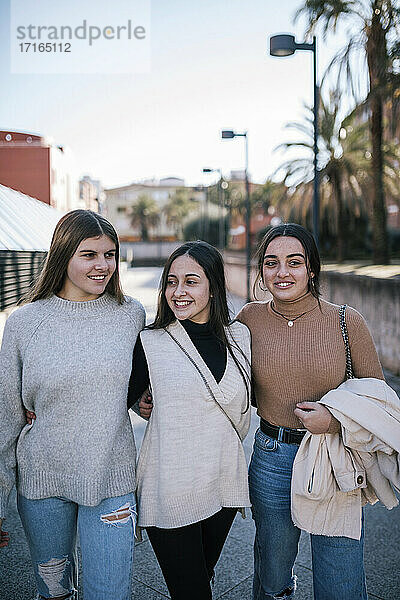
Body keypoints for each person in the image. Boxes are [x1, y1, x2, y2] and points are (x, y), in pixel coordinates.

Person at [0, 210, 145, 600]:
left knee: (109, 594)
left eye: (110, 254)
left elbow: (137, 378)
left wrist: (140, 399)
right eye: (89, 255)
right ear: (63, 255)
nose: (103, 266)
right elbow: (6, 418)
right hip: (42, 481)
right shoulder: (23, 323)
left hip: (111, 479)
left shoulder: (130, 314)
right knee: (54, 593)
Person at [236, 223, 384, 600]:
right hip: (272, 458)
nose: (282, 272)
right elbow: (226, 384)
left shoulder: (345, 321)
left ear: (312, 269)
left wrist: (333, 420)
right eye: (271, 263)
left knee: (340, 576)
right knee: (272, 575)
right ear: (262, 272)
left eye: (294, 262)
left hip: (333, 457)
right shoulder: (248, 319)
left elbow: (379, 404)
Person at [128, 240, 252, 600]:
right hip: (170, 489)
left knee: (202, 576)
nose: (177, 292)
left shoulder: (240, 337)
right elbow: (114, 397)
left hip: (223, 485)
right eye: (171, 281)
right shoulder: (150, 342)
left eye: (191, 281)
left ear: (213, 286)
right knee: (192, 592)